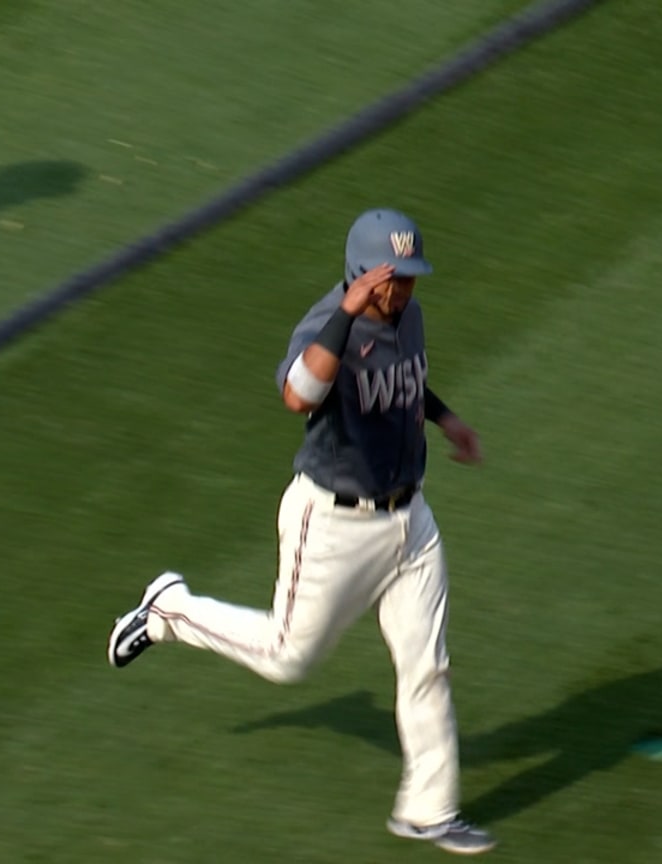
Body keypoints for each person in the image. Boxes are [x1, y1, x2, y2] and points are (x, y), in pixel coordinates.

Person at [107, 208, 494, 855]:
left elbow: (404, 383)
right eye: (392, 279)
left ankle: (428, 809)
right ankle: (169, 609)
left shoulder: (410, 318)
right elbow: (299, 394)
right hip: (333, 523)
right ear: (361, 275)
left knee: (428, 664)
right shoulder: (325, 327)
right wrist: (349, 311)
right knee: (289, 658)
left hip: (410, 521)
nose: (404, 291)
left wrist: (447, 419)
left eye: (410, 278)